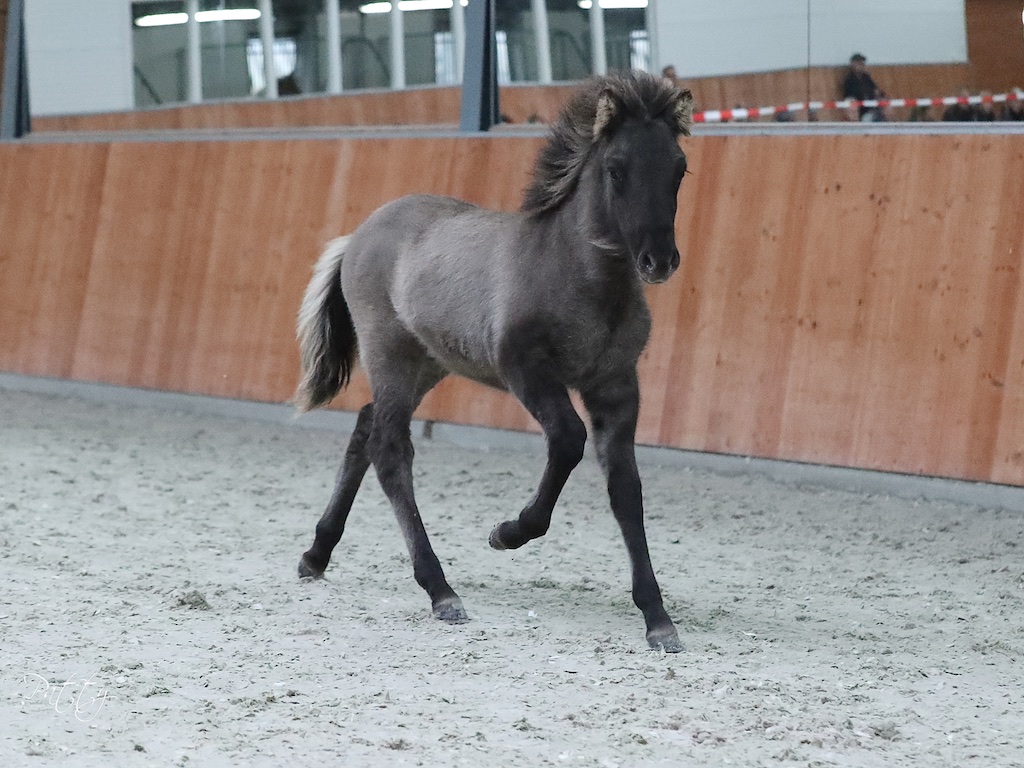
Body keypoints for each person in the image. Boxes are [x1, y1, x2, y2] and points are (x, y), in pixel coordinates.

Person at [841, 53, 885, 121]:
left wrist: (880, 97)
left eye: (862, 63)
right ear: (853, 64)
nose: (861, 65)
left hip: (872, 106)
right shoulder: (849, 80)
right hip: (861, 109)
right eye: (858, 63)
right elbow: (850, 96)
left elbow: (875, 90)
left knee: (885, 102)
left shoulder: (866, 77)